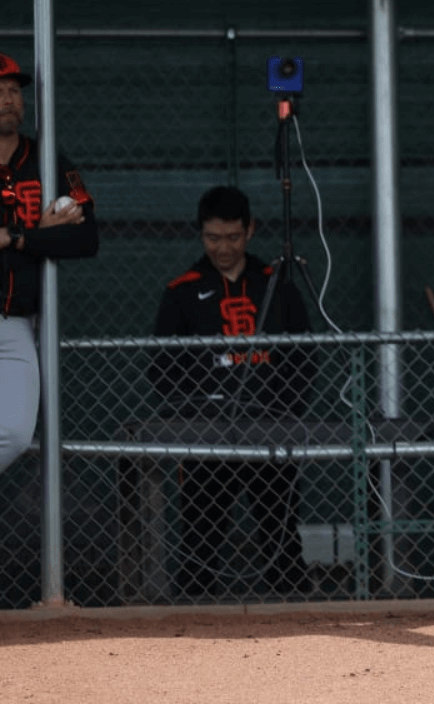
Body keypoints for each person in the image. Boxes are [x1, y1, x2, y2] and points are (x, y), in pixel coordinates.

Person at [150, 185, 314, 597]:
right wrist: (194, 411)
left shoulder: (275, 284)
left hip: (271, 430)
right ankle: (193, 618)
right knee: (200, 534)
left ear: (250, 230)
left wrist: (284, 407)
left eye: (233, 237)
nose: (223, 247)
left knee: (280, 529)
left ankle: (295, 615)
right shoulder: (182, 291)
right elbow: (161, 369)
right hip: (207, 435)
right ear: (200, 233)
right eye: (213, 237)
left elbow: (306, 357)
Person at [0, 52, 98, 474]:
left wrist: (19, 236)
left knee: (16, 433)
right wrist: (42, 233)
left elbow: (85, 236)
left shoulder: (51, 160)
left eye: (13, 91)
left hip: (17, 321)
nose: (8, 99)